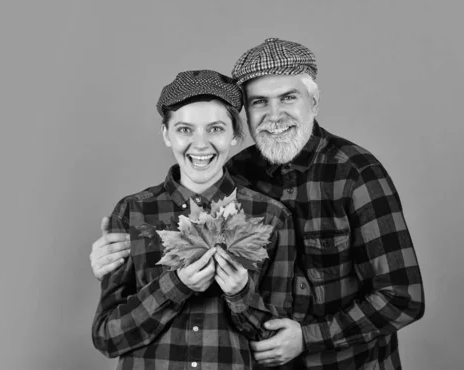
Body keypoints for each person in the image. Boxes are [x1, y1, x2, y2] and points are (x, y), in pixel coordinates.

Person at [90, 39, 425, 369]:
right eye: (260, 102)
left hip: (346, 362)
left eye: (288, 97)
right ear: (245, 116)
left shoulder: (355, 172)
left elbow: (402, 296)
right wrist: (116, 256)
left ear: (314, 102)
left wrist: (309, 337)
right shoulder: (233, 174)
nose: (274, 115)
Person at [91, 70, 297, 370]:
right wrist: (174, 286)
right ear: (166, 134)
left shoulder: (270, 217)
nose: (200, 144)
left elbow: (277, 343)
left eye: (215, 128)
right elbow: (107, 337)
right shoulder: (134, 212)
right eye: (185, 130)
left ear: (235, 135)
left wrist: (241, 296)